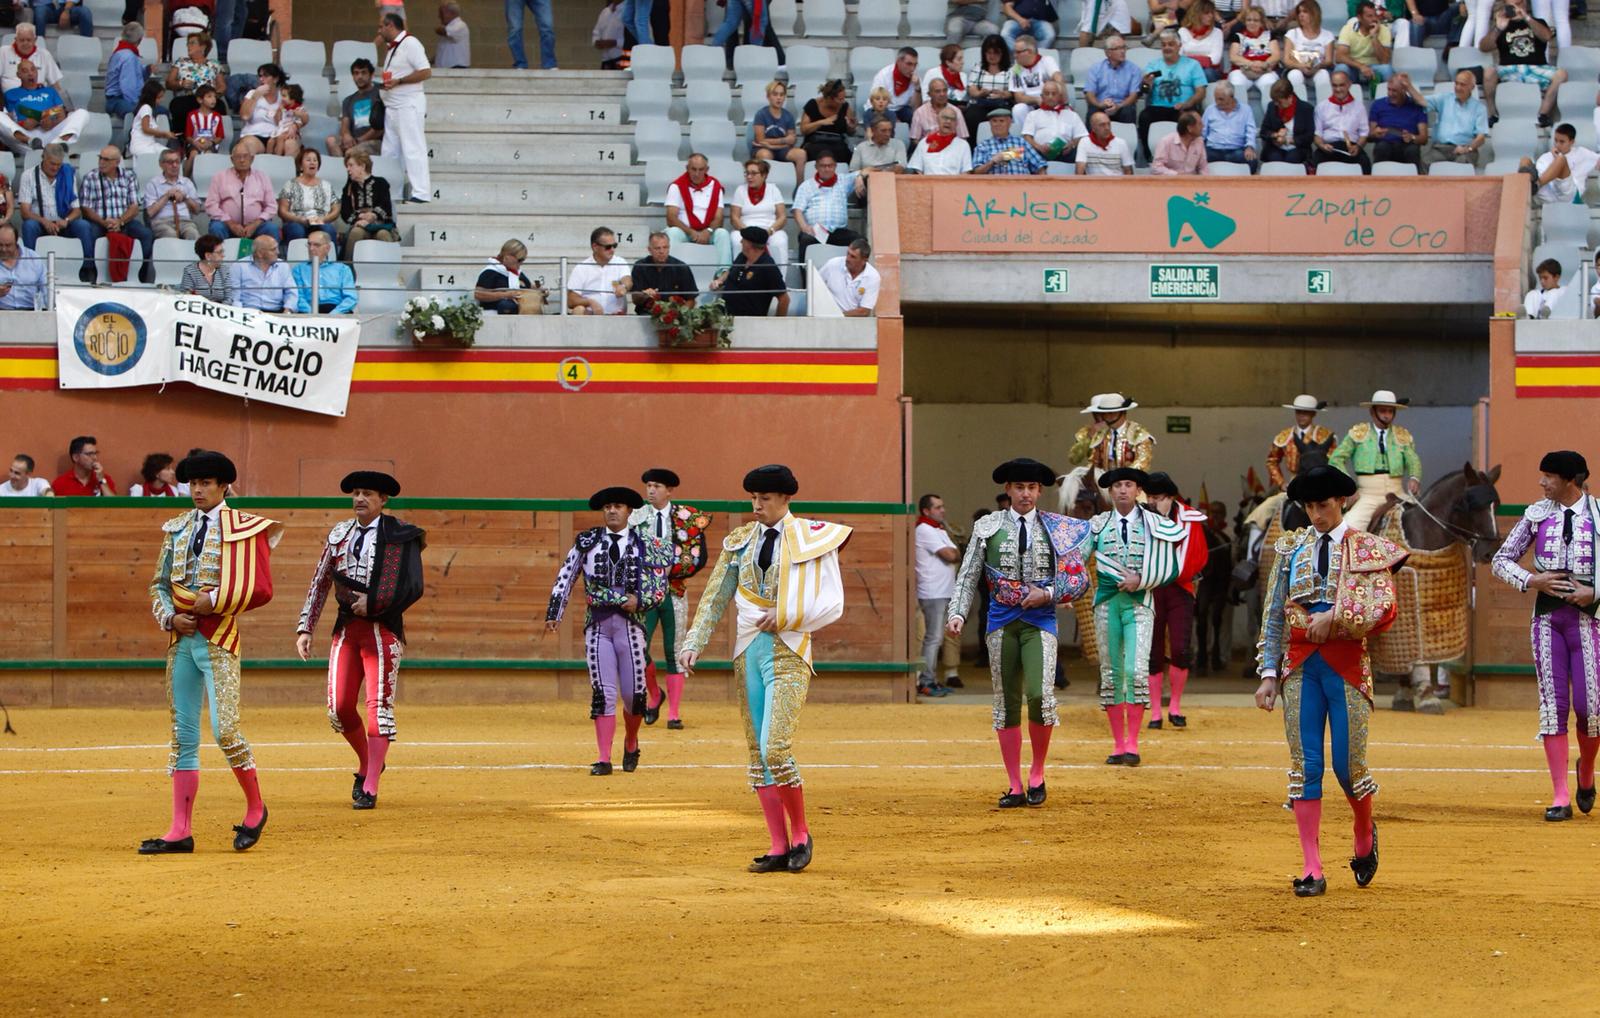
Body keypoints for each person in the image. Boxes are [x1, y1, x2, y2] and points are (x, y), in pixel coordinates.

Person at [679, 464, 852, 873]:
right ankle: (777, 844)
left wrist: (788, 616)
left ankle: (801, 833)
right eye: (753, 498)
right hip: (747, 651)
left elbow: (833, 602)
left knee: (775, 746)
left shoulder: (813, 538)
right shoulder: (739, 541)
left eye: (765, 498)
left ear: (785, 499)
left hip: (789, 650)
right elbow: (715, 595)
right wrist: (693, 643)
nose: (757, 505)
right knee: (758, 754)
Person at [1255, 465, 1406, 896]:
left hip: (1346, 666)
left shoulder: (1367, 549)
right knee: (1306, 769)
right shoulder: (1290, 549)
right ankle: (1311, 866)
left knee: (1348, 766)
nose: (1316, 515)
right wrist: (1268, 673)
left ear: (1343, 502)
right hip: (1300, 667)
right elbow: (1273, 616)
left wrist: (1336, 618)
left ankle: (1363, 832)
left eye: (1323, 505)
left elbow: (1384, 609)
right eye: (1309, 506)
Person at [139, 451, 282, 856]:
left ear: (223, 487)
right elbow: (157, 585)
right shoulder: (176, 528)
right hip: (182, 640)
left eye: (206, 483)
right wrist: (170, 618)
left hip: (219, 637)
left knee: (225, 730)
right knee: (182, 735)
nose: (197, 490)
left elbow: (261, 588)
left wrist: (213, 600)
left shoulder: (245, 528)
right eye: (193, 483)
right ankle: (179, 829)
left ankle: (256, 808)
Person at [948, 458, 1091, 802]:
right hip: (1001, 620)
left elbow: (1078, 578)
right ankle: (1014, 783)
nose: (1025, 494)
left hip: (1040, 620)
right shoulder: (988, 526)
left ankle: (1037, 772)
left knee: (1041, 697)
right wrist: (957, 613)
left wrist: (1049, 593)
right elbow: (968, 575)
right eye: (1019, 487)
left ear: (1039, 491)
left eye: (1031, 488)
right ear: (1008, 490)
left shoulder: (1057, 527)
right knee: (1006, 702)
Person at [296, 471, 426, 810]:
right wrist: (305, 627)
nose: (359, 499)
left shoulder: (401, 535)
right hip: (347, 629)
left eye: (367, 493)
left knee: (378, 709)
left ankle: (369, 784)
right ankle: (370, 760)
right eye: (355, 493)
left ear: (383, 500)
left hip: (383, 630)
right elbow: (320, 581)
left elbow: (413, 585)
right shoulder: (339, 534)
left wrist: (377, 603)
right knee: (338, 709)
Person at [1491, 451, 1600, 822]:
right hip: (1548, 619)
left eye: (1549, 477)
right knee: (1554, 708)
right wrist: (1531, 579)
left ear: (1570, 480)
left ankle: (1585, 770)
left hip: (1589, 621)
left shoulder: (1599, 515)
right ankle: (1560, 794)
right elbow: (1501, 559)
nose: (1541, 483)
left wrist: (1595, 591)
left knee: (1591, 708)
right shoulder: (1537, 515)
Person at [546, 486, 672, 776]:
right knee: (603, 692)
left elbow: (660, 586)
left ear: (629, 511)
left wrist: (641, 600)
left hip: (631, 628)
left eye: (617, 506)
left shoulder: (646, 544)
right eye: (607, 507)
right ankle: (604, 757)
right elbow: (566, 574)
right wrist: (555, 612)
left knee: (635, 695)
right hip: (598, 627)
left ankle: (630, 740)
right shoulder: (588, 542)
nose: (612, 511)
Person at [1089, 467, 1196, 765]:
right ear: (1110, 492)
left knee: (1135, 672)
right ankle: (1117, 743)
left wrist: (1142, 579)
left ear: (1138, 491)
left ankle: (1133, 744)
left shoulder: (1156, 524)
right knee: (1111, 673)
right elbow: (1080, 560)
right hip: (1108, 605)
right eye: (1117, 486)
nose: (1123, 490)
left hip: (1140, 604)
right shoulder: (1096, 525)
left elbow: (1171, 565)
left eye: (1128, 485)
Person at [628, 468, 713, 730]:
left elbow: (699, 557)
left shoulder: (687, 518)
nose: (651, 490)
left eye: (657, 486)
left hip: (674, 591)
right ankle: (655, 695)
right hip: (644, 594)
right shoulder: (636, 517)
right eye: (648, 486)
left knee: (675, 650)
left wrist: (671, 569)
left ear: (669, 490)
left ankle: (673, 713)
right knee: (637, 647)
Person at [1142, 473, 1210, 730]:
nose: (1152, 503)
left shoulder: (1190, 518)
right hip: (1153, 589)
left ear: (1170, 498)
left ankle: (1176, 707)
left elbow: (1198, 556)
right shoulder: (1143, 518)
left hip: (1179, 589)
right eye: (1149, 497)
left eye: (1158, 498)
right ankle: (1156, 712)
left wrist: (1170, 573)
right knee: (1154, 651)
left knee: (1181, 648)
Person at [1328, 389, 1422, 532]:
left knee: (1424, 522)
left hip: (1398, 494)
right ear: (1373, 412)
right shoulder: (1358, 433)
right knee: (1346, 530)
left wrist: (1415, 478)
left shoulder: (1402, 435)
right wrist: (1348, 485)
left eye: (1390, 411)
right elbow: (1336, 459)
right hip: (1368, 496)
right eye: (1383, 411)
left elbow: (1413, 459)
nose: (1387, 415)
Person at [1480, 0, 1564, 127]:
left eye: (1519, 3)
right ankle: (1492, 115)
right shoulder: (1502, 24)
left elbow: (1546, 36)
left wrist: (1526, 17)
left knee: (1561, 74)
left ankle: (1542, 115)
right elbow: (1484, 47)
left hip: (1535, 68)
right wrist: (1498, 28)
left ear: (1525, 4)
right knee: (1488, 72)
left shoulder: (1538, 22)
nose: (1516, 7)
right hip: (1509, 69)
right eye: (1512, 5)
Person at [78, 145, 154, 284]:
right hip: (98, 221)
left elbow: (134, 206)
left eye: (106, 159)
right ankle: (91, 272)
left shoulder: (129, 176)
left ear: (117, 162)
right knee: (89, 232)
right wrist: (104, 222)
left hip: (124, 220)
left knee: (146, 234)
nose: (101, 162)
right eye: (100, 158)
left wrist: (120, 221)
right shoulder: (90, 177)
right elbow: (85, 208)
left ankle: (139, 273)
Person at [378, 13, 433, 204]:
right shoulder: (393, 47)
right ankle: (392, 193)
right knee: (390, 152)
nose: (379, 31)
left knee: (413, 148)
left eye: (381, 27)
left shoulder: (411, 43)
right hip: (393, 106)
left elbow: (426, 71)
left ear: (390, 25)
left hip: (408, 104)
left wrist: (400, 81)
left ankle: (421, 192)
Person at [914, 493, 962, 698]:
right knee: (932, 638)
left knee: (936, 638)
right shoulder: (924, 529)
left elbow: (954, 553)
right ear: (926, 511)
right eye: (938, 507)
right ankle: (926, 680)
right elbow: (952, 555)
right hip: (933, 591)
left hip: (942, 590)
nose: (943, 510)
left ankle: (930, 678)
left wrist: (955, 551)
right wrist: (956, 551)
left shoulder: (937, 529)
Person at [18, 144, 92, 276]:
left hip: (62, 222)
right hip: (40, 223)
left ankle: (86, 270)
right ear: (43, 158)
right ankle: (30, 270)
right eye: (52, 163)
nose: (56, 168)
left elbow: (76, 210)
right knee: (29, 225)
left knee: (83, 225)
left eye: (59, 164)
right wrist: (44, 222)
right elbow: (25, 212)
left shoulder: (68, 175)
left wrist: (66, 220)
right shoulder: (28, 176)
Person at [1138, 30, 1207, 162]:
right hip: (1158, 107)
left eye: (1170, 44)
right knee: (1144, 116)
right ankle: (1149, 156)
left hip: (1183, 107)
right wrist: (1147, 84)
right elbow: (1144, 91)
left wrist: (1187, 103)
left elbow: (1201, 92)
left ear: (1179, 45)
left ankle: (1187, 158)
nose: (1167, 48)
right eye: (1163, 45)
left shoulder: (1192, 65)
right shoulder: (1154, 66)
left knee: (1188, 119)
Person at [0, 58, 88, 147]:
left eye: (33, 70)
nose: (30, 74)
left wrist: (48, 120)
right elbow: (19, 115)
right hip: (26, 136)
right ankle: (31, 142)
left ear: (37, 72)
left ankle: (58, 143)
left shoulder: (50, 91)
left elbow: (61, 112)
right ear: (19, 75)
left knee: (82, 113)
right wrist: (49, 114)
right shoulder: (11, 94)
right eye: (25, 71)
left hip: (51, 132)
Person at [664, 153, 733, 266]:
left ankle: (723, 273)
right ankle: (673, 272)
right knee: (672, 233)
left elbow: (719, 217)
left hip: (708, 231)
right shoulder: (676, 186)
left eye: (701, 170)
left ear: (707, 169)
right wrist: (691, 232)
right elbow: (671, 218)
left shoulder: (715, 186)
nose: (697, 174)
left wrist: (708, 231)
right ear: (687, 168)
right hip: (685, 231)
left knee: (723, 234)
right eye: (693, 169)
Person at [206, 142, 279, 243]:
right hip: (226, 225)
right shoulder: (220, 177)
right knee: (216, 227)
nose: (242, 160)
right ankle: (220, 258)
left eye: (245, 156)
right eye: (238, 157)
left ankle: (272, 258)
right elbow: (211, 206)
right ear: (232, 159)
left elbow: (271, 206)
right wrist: (230, 223)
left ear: (252, 158)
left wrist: (256, 223)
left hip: (256, 226)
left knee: (271, 228)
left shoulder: (262, 177)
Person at [791, 153, 861, 258]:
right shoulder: (806, 185)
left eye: (830, 166)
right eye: (823, 166)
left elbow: (867, 170)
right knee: (806, 239)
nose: (827, 169)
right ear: (816, 167)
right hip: (816, 231)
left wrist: (860, 177)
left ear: (835, 166)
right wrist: (804, 227)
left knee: (860, 242)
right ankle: (805, 274)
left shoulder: (844, 180)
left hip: (839, 231)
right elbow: (797, 210)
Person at [1070, 393, 1156, 477]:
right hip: (1100, 483)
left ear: (1122, 412)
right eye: (1104, 413)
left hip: (1129, 484)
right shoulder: (1098, 433)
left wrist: (1121, 478)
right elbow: (1075, 459)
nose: (1106, 417)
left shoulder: (1137, 433)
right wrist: (1089, 437)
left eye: (1111, 413)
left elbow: (1143, 462)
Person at [710, 226, 788, 317]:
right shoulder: (742, 257)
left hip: (749, 320)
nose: (741, 242)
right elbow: (731, 270)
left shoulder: (768, 266)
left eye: (743, 239)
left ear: (749, 244)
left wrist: (777, 324)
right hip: (724, 314)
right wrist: (720, 280)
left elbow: (784, 299)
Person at [727, 160, 790, 272]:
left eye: (753, 173)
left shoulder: (773, 190)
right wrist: (748, 233)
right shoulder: (740, 190)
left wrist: (769, 231)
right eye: (747, 173)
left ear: (764, 175)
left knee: (781, 240)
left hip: (769, 230)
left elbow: (782, 217)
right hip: (746, 229)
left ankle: (780, 282)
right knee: (736, 239)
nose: (749, 177)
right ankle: (739, 278)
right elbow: (734, 217)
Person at [1268, 394, 1337, 492]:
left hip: (1320, 484)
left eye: (1306, 413)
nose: (1301, 416)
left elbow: (1335, 462)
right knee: (1267, 507)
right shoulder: (1285, 436)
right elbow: (1272, 461)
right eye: (1298, 412)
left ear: (1313, 414)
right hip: (1293, 484)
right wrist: (1281, 483)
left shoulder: (1325, 436)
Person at [166, 32, 228, 139]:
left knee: (220, 106)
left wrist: (214, 96)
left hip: (207, 99)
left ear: (203, 46)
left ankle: (213, 138)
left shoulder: (214, 64)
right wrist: (180, 84)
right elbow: (169, 83)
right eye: (188, 43)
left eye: (192, 43)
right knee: (177, 105)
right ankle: (184, 139)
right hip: (187, 98)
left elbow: (222, 86)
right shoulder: (181, 62)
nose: (188, 46)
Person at [1421, 69, 1488, 168]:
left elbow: (1481, 138)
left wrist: (1467, 148)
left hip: (1464, 149)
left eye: (1462, 84)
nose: (1458, 87)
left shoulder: (1479, 108)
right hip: (1440, 148)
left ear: (1472, 87)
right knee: (1426, 161)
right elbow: (1421, 101)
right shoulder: (1445, 99)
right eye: (1456, 83)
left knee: (1462, 164)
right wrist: (1409, 87)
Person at [1520, 124, 1598, 205]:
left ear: (1572, 142)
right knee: (1525, 160)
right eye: (1556, 141)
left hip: (1567, 193)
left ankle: (1536, 185)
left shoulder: (1582, 153)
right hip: (1547, 192)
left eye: (1562, 142)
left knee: (1561, 159)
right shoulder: (1546, 157)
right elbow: (1539, 172)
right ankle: (1525, 190)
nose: (1557, 145)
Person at [339, 150, 398, 259]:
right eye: (347, 166)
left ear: (362, 166)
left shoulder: (381, 183)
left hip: (380, 225)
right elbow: (345, 213)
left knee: (383, 235)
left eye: (351, 165)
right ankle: (348, 270)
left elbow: (386, 207)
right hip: (360, 225)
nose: (348, 169)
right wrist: (360, 217)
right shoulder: (348, 188)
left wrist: (373, 215)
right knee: (356, 233)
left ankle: (391, 271)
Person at [751, 81, 807, 190]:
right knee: (765, 155)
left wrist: (773, 144)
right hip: (763, 149)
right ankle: (764, 189)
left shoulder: (788, 116)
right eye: (775, 94)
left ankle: (799, 189)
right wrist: (783, 141)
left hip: (782, 150)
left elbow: (791, 140)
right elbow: (760, 140)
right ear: (768, 96)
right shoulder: (761, 114)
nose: (779, 98)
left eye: (781, 95)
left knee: (801, 154)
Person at [1312, 71, 1371, 174]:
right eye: (1335, 86)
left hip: (1351, 147)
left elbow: (1364, 133)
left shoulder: (1359, 107)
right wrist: (1322, 146)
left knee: (1364, 162)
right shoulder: (1322, 107)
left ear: (1349, 84)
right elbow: (1317, 134)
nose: (1338, 89)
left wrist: (1358, 147)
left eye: (1341, 85)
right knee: (1315, 161)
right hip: (1329, 147)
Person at [567, 226, 633, 315]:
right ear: (595, 247)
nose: (612, 250)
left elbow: (627, 279)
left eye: (614, 246)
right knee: (578, 309)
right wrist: (590, 302)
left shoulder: (620, 262)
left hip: (616, 316)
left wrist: (624, 286)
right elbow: (571, 300)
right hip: (590, 316)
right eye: (608, 247)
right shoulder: (582, 268)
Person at [327, 59, 386, 159]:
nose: (360, 76)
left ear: (371, 75)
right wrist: (346, 136)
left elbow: (380, 128)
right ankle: (343, 172)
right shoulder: (348, 100)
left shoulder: (381, 94)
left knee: (351, 152)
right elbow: (345, 124)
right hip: (355, 141)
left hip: (376, 142)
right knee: (331, 141)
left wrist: (360, 140)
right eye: (356, 73)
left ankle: (347, 171)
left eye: (364, 73)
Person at [278, 149, 337, 246]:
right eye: (308, 160)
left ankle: (330, 260)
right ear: (301, 165)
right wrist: (298, 219)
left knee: (328, 230)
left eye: (315, 160)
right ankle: (296, 260)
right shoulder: (290, 184)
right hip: (296, 221)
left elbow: (336, 207)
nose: (312, 163)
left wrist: (325, 219)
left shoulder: (326, 185)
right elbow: (282, 211)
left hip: (320, 221)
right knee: (296, 231)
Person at [629, 230, 698, 312]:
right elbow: (635, 299)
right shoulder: (640, 266)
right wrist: (644, 295)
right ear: (649, 249)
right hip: (646, 314)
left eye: (665, 247)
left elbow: (691, 300)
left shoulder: (681, 268)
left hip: (675, 316)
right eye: (657, 248)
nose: (662, 251)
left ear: (669, 247)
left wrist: (680, 314)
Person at [1367, 72, 1427, 167]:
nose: (1390, 94)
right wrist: (1375, 134)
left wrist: (1412, 137)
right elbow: (1369, 136)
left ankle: (1415, 180)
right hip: (1385, 143)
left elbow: (1424, 138)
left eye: (1394, 91)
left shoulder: (1416, 106)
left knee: (1412, 150)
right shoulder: (1378, 105)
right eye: (1389, 90)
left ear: (1404, 90)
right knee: (1382, 147)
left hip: (1408, 145)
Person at [1021, 79, 1086, 163]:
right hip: (1040, 153)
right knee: (1023, 152)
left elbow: (1082, 136)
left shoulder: (1072, 115)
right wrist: (1039, 147)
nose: (1050, 97)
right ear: (1042, 96)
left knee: (1083, 151)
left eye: (1053, 94)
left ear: (1059, 96)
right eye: (1047, 94)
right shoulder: (1033, 115)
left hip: (1066, 153)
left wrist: (1072, 144)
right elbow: (1027, 137)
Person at [293, 231, 358, 314]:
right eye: (309, 244)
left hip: (337, 309)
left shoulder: (343, 269)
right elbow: (298, 297)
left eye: (316, 245)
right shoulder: (298, 269)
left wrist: (334, 314)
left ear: (327, 248)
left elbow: (351, 297)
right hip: (308, 310)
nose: (311, 248)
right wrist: (312, 314)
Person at [1084, 34, 1142, 125]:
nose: (1123, 51)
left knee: (1128, 110)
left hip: (1122, 105)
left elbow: (1133, 95)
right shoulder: (1095, 69)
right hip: (1101, 105)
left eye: (1124, 47)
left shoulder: (1134, 69)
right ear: (1108, 52)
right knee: (1094, 111)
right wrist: (1100, 104)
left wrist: (1119, 106)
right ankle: (1092, 139)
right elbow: (1089, 94)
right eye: (1118, 48)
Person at [1284, 0, 1336, 101]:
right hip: (1297, 69)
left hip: (1317, 70)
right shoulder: (1292, 33)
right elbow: (1287, 60)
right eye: (1299, 12)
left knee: (1323, 75)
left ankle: (1324, 109)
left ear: (1315, 13)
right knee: (1295, 75)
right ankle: (1299, 109)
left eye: (1305, 12)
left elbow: (1329, 60)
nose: (1301, 15)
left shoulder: (1327, 35)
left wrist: (1316, 66)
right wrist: (1302, 66)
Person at [972, 107, 1048, 175]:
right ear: (990, 124)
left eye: (1001, 121)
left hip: (1021, 187)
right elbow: (976, 172)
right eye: (994, 121)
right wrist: (992, 162)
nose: (998, 124)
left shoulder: (1021, 143)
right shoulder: (983, 146)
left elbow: (1040, 165)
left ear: (1009, 123)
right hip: (994, 188)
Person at [1228, 7, 1282, 102]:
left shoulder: (1269, 35)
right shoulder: (1238, 36)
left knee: (1269, 84)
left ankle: (1269, 114)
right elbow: (1233, 57)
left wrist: (1264, 64)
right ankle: (1241, 116)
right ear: (1245, 22)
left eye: (1256, 20)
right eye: (1249, 20)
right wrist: (1252, 63)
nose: (1252, 23)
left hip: (1265, 70)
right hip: (1243, 71)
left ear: (1261, 22)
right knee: (1237, 83)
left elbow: (1276, 55)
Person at [964, 34, 1015, 136]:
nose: (992, 56)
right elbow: (972, 89)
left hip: (1002, 103)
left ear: (1003, 53)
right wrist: (979, 93)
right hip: (981, 103)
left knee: (1005, 116)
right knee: (971, 116)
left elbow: (1013, 92)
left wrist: (1003, 94)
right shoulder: (978, 67)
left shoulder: (1012, 69)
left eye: (996, 53)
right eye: (989, 53)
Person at [1006, 34, 1062, 124]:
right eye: (1014, 52)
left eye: (1018, 52)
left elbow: (1058, 78)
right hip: (1030, 105)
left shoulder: (1046, 61)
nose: (1015, 55)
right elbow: (1019, 97)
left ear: (1029, 51)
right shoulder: (1016, 69)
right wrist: (1037, 99)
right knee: (1018, 109)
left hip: (1049, 100)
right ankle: (1025, 136)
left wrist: (1050, 96)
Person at [1335, 1, 1394, 88]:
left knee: (1387, 69)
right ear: (1359, 17)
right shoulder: (1347, 29)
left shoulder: (1384, 30)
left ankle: (1387, 99)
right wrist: (1361, 66)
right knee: (1341, 68)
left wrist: (1374, 37)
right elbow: (1340, 56)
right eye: (1369, 16)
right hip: (1354, 68)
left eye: (1375, 15)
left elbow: (1385, 60)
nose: (1374, 19)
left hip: (1374, 68)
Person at [799, 80, 857, 165]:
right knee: (816, 151)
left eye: (844, 98)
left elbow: (851, 133)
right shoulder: (813, 104)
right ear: (829, 98)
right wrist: (821, 122)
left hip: (837, 144)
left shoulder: (845, 107)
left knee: (844, 153)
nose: (843, 101)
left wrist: (851, 127)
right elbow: (803, 129)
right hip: (815, 142)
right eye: (840, 99)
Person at [1202, 82, 1258, 169]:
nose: (1217, 102)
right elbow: (1202, 132)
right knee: (1196, 157)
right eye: (1216, 99)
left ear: (1231, 97)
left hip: (1236, 149)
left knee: (1251, 161)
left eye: (1221, 99)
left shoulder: (1246, 110)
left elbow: (1251, 131)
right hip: (1213, 149)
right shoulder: (1210, 109)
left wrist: (1250, 147)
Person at [233, 234, 295, 313]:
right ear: (260, 253)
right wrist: (240, 314)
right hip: (248, 312)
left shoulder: (283, 266)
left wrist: (288, 310)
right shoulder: (239, 266)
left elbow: (291, 292)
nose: (278, 252)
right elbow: (235, 297)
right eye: (273, 249)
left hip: (276, 313)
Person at [1261, 78, 1316, 164]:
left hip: (1298, 147)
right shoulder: (1272, 106)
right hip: (1276, 147)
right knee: (1275, 160)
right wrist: (1275, 135)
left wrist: (1288, 140)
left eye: (1279, 102)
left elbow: (1309, 137)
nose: (1276, 104)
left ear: (1290, 97)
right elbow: (1264, 131)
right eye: (1274, 101)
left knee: (1292, 159)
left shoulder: (1306, 109)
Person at [818, 239, 879, 318]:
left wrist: (838, 316)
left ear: (864, 261)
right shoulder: (832, 264)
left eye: (853, 257)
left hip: (854, 323)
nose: (847, 259)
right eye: (848, 253)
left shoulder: (873, 277)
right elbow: (814, 286)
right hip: (825, 318)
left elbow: (864, 311)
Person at [475, 238, 537, 314]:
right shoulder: (491, 271)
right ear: (508, 256)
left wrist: (540, 290)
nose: (521, 263)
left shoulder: (517, 273)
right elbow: (478, 294)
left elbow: (528, 286)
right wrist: (505, 295)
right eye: (519, 260)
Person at [0, 24, 65, 95]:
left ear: (35, 40)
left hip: (39, 100)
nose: (25, 43)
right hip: (11, 101)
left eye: (29, 40)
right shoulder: (3, 52)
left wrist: (61, 103)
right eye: (22, 40)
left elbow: (55, 84)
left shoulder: (44, 55)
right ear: (16, 40)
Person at [908, 105, 974, 175]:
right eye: (945, 118)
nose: (948, 121)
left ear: (956, 124)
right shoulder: (924, 142)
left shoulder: (963, 145)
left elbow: (966, 172)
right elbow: (918, 170)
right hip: (928, 184)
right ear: (938, 120)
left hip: (953, 184)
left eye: (952, 119)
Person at [104, 22, 149, 120]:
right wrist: (138, 104)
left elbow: (136, 76)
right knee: (142, 114)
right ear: (140, 40)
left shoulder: (122, 53)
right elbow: (128, 87)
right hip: (119, 100)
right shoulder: (129, 57)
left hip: (116, 100)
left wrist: (147, 70)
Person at [870, 47, 922, 126]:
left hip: (902, 109)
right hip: (881, 108)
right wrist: (893, 118)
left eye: (915, 65)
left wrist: (917, 88)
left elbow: (916, 108)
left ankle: (913, 138)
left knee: (917, 117)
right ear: (898, 61)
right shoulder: (884, 75)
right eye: (909, 64)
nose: (912, 68)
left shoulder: (915, 77)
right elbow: (877, 103)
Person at [0, 222, 45, 311]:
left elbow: (46, 287)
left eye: (8, 245)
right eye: (0, 245)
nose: (3, 249)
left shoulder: (32, 258)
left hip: (31, 311)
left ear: (16, 242)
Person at [183, 84, 226, 177]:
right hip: (195, 144)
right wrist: (195, 143)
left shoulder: (217, 117)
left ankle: (207, 180)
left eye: (214, 97)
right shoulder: (192, 115)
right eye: (209, 97)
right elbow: (188, 136)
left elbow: (220, 136)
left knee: (208, 155)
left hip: (211, 145)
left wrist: (210, 143)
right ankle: (184, 178)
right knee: (193, 154)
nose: (213, 99)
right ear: (200, 100)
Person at [1075, 110, 1136, 174]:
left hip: (1116, 182)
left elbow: (1128, 171)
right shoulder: (1084, 142)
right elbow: (1079, 170)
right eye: (1102, 125)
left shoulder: (1121, 143)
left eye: (1108, 124)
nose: (1107, 128)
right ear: (1093, 128)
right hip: (1094, 183)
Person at [911, 76, 968, 144]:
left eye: (944, 90)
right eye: (937, 91)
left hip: (951, 149)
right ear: (929, 94)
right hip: (928, 149)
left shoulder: (956, 111)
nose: (942, 94)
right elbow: (915, 140)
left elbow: (963, 138)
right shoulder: (919, 112)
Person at [51, 436, 115, 496]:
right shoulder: (60, 483)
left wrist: (101, 481)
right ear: (75, 457)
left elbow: (115, 505)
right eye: (89, 454)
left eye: (95, 453)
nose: (95, 458)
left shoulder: (104, 479)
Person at [1179, 1, 1226, 82]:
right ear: (1197, 14)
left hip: (1210, 70)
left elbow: (1215, 59)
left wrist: (1189, 59)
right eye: (1206, 13)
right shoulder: (1182, 31)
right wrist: (1203, 59)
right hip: (1187, 69)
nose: (1211, 16)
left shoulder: (1217, 32)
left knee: (1206, 73)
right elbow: (1179, 56)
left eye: (1212, 13)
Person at [852, 114, 910, 179]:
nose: (888, 134)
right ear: (873, 131)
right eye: (883, 131)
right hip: (866, 182)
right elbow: (853, 172)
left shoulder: (898, 144)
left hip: (891, 181)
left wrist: (872, 173)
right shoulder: (861, 147)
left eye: (890, 130)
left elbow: (900, 168)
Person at [180, 234, 234, 303]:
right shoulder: (190, 271)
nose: (223, 255)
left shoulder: (224, 270)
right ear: (208, 255)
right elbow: (186, 298)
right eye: (219, 252)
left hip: (221, 311)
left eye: (222, 251)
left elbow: (230, 298)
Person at [128, 80, 175, 159]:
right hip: (141, 146)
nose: (161, 100)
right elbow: (146, 129)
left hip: (150, 144)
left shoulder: (148, 109)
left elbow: (151, 132)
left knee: (170, 155)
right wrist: (164, 134)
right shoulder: (146, 108)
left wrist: (165, 135)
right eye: (159, 97)